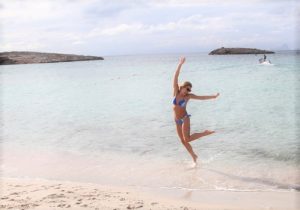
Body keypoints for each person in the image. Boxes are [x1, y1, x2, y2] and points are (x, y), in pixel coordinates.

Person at [172, 57, 220, 163]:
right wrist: (180, 64)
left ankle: (204, 133)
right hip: (177, 120)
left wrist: (213, 97)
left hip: (185, 118)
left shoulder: (188, 97)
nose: (188, 91)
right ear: (182, 87)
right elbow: (175, 76)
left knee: (187, 139)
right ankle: (194, 156)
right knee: (183, 141)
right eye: (187, 88)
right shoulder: (176, 92)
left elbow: (201, 98)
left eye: (189, 89)